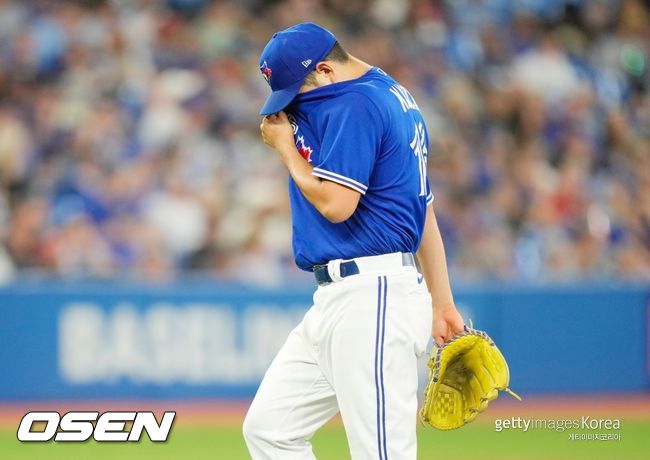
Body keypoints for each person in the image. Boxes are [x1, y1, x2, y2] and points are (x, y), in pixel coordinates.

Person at [243, 22, 464, 459]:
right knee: (271, 430)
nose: (294, 106)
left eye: (296, 92)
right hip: (342, 299)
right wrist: (442, 302)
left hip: (373, 296)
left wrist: (286, 150)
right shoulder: (391, 93)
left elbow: (337, 205)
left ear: (325, 70)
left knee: (382, 452)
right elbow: (424, 209)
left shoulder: (355, 103)